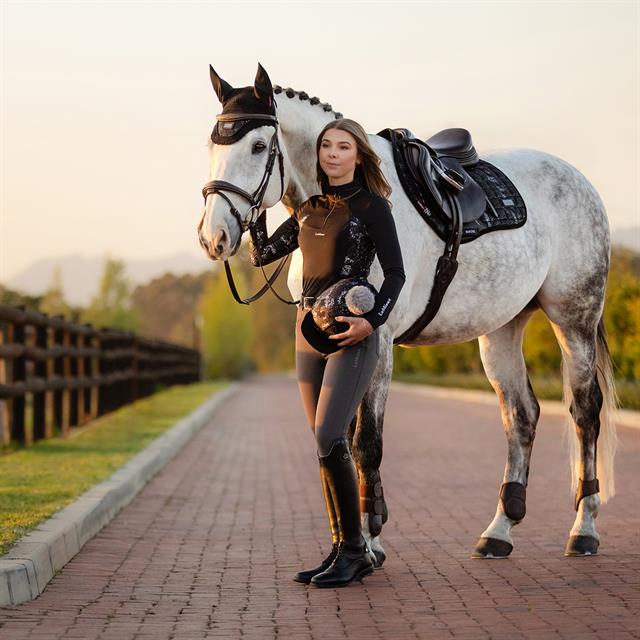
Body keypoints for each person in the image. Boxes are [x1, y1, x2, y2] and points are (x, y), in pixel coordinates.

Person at [248, 118, 406, 588]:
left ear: (358, 155)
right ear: (318, 155)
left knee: (331, 433)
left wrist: (371, 321)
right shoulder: (307, 210)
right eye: (326, 147)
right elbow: (261, 254)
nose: (333, 154)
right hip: (305, 332)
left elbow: (396, 275)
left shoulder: (374, 207)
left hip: (349, 333)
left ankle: (355, 552)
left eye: (343, 146)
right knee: (324, 442)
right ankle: (342, 546)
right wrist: (254, 207)